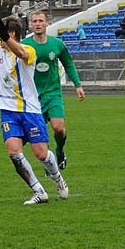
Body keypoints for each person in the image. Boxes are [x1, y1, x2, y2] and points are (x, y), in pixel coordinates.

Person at [0, 0, 68, 205]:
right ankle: (39, 191)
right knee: (14, 152)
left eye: (2, 33)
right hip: (8, 110)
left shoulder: (28, 50)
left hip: (30, 109)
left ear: (12, 34)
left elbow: (20, 53)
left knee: (41, 154)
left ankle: (57, 177)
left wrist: (6, 38)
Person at [21, 10, 86, 170]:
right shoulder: (25, 45)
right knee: (40, 136)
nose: (37, 24)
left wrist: (77, 85)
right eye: (34, 21)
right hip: (33, 97)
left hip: (53, 93)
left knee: (58, 127)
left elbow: (68, 64)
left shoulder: (57, 44)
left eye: (40, 21)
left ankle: (60, 151)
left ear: (47, 23)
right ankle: (49, 162)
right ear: (31, 24)